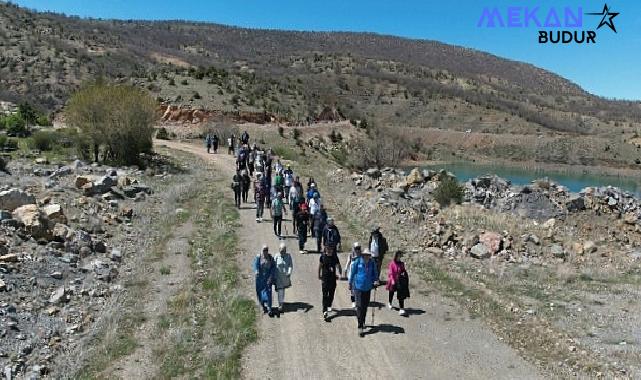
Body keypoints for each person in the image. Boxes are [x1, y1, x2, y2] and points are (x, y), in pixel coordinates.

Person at [349, 249, 379, 337]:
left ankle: (362, 321)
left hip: (368, 288)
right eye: (365, 255)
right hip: (358, 287)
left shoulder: (372, 263)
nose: (366, 256)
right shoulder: (358, 262)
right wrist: (350, 283)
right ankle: (360, 326)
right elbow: (353, 273)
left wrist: (376, 280)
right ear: (362, 255)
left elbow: (375, 274)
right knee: (359, 306)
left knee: (365, 306)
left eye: (368, 255)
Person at [318, 246, 342, 321]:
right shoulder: (323, 257)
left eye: (331, 249)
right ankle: (324, 311)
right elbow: (320, 266)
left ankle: (329, 305)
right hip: (325, 279)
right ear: (325, 249)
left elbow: (338, 266)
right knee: (325, 295)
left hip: (332, 279)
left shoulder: (335, 257)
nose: (329, 250)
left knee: (331, 294)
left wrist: (340, 273)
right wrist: (319, 275)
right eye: (328, 249)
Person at [253, 245, 276, 317]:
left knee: (268, 293)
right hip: (260, 279)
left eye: (266, 250)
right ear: (262, 250)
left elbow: (273, 268)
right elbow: (255, 265)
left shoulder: (270, 258)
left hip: (267, 279)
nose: (265, 251)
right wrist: (256, 271)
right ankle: (263, 306)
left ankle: (269, 308)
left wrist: (271, 276)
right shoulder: (258, 257)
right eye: (264, 250)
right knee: (259, 293)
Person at [387, 250, 410, 316]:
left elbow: (403, 271)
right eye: (398, 255)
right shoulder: (392, 263)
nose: (399, 257)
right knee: (391, 292)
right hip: (393, 280)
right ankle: (390, 302)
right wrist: (392, 280)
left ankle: (401, 308)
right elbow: (390, 273)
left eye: (400, 256)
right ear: (396, 256)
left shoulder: (401, 263)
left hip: (399, 281)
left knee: (401, 294)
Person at [274, 242, 293, 313]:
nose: (282, 252)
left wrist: (289, 272)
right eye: (281, 250)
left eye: (284, 250)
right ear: (279, 249)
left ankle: (281, 303)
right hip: (278, 277)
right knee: (280, 290)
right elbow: (273, 266)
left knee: (282, 290)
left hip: (285, 277)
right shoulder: (276, 256)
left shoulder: (288, 256)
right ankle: (280, 303)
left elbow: (290, 265)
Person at [345, 242, 362, 308]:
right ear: (353, 249)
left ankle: (358, 300)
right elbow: (348, 262)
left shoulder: (361, 256)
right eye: (356, 248)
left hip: (359, 275)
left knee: (358, 288)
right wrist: (346, 269)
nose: (357, 250)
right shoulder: (351, 255)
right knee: (352, 289)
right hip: (351, 274)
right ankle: (353, 301)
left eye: (359, 248)